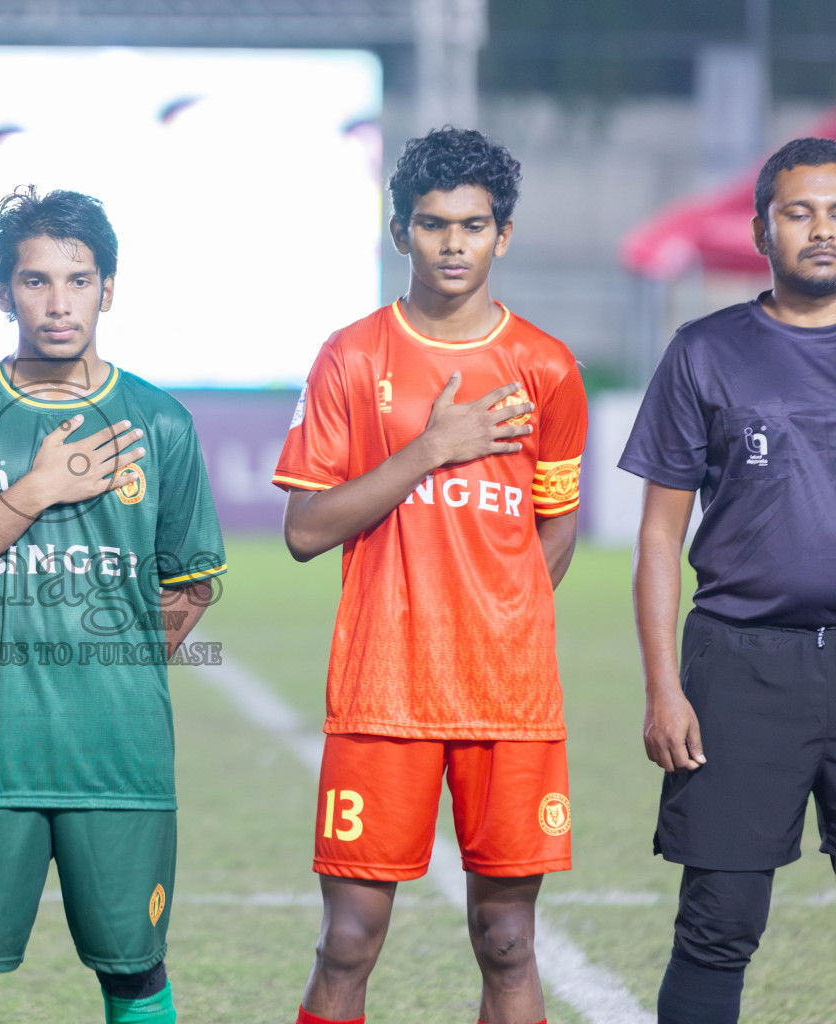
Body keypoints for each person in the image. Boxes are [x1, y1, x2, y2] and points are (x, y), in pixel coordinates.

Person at [0, 186, 226, 1024]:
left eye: (79, 280)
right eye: (35, 281)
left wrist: (120, 665)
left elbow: (191, 577)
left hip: (119, 761)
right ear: (3, 292)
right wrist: (34, 492)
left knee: (135, 975)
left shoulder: (161, 422)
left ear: (109, 287)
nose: (59, 302)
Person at [273, 127, 588, 1024]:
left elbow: (553, 530)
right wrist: (431, 449)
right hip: (384, 694)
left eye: (474, 225)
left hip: (510, 701)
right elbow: (304, 530)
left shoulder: (547, 367)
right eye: (433, 224)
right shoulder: (354, 355)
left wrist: (500, 620)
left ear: (504, 235)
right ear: (398, 231)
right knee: (347, 944)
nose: (454, 244)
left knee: (508, 943)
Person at [620, 135, 836, 1024]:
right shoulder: (706, 351)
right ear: (761, 229)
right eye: (799, 212)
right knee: (719, 926)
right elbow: (660, 537)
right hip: (743, 668)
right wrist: (664, 687)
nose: (822, 229)